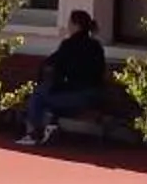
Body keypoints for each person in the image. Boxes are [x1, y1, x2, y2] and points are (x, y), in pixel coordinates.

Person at [16, 10, 110, 144]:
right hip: (94, 95)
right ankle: (51, 126)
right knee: (49, 98)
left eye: (70, 23)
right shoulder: (96, 46)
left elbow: (52, 64)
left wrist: (54, 81)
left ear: (76, 25)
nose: (68, 26)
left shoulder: (69, 45)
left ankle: (33, 133)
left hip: (77, 97)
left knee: (38, 97)